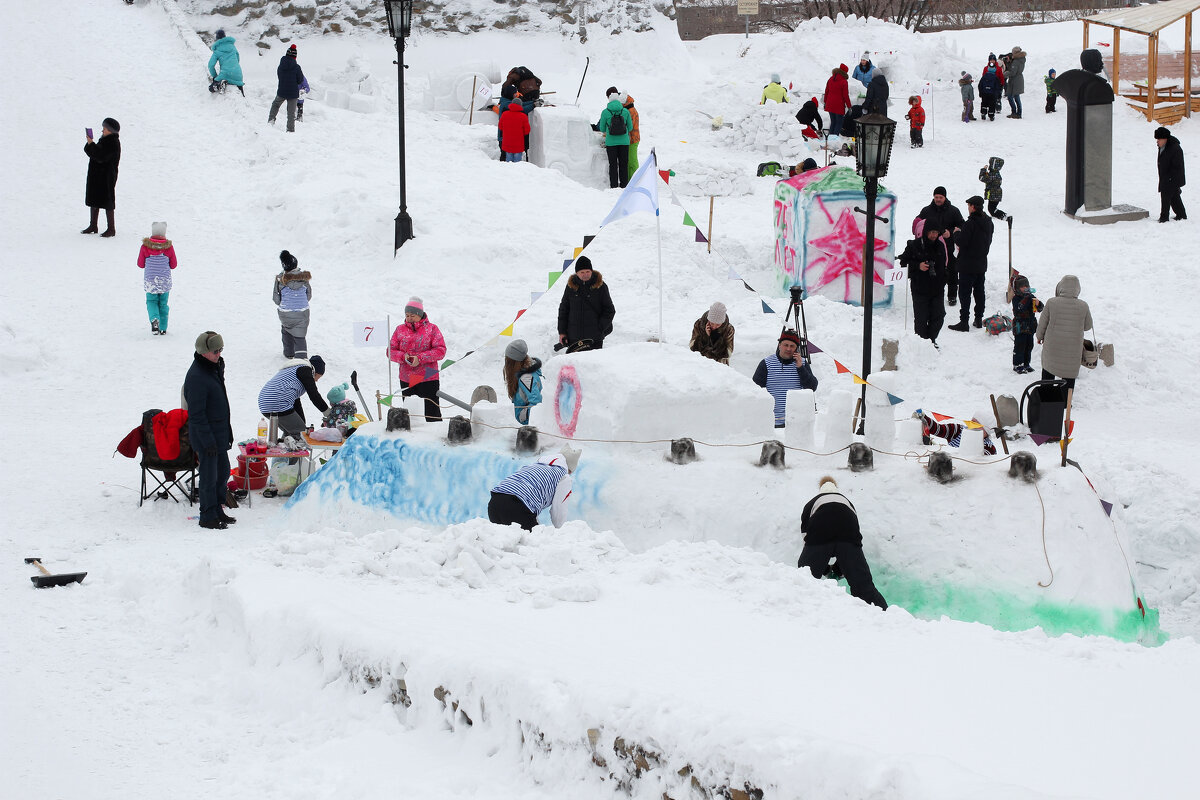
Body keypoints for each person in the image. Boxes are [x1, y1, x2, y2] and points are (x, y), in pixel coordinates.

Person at [797, 476, 887, 610]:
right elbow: (854, 538)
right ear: (836, 488)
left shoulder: (812, 503)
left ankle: (799, 611)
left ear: (820, 490)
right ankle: (884, 616)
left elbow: (807, 538)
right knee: (862, 585)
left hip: (819, 533)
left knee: (804, 579)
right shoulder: (847, 502)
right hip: (848, 534)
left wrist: (825, 569)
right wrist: (840, 570)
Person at [184, 331, 235, 530]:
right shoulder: (197, 376)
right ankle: (207, 515)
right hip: (207, 438)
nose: (219, 354)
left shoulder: (213, 367)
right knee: (208, 477)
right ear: (203, 352)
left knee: (222, 473)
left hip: (219, 433)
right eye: (215, 351)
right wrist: (208, 441)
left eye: (221, 350)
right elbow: (196, 415)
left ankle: (217, 509)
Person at [488, 448, 581, 531]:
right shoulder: (564, 477)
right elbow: (558, 511)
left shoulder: (534, 466)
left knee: (503, 545)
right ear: (570, 469)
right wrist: (562, 533)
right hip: (517, 507)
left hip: (494, 504)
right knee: (534, 545)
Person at [389, 297, 447, 421]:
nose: (409, 318)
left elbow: (440, 350)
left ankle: (435, 436)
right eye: (407, 315)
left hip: (428, 377)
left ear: (420, 315)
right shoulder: (399, 329)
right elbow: (390, 351)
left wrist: (420, 358)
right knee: (411, 414)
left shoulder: (432, 329)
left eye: (412, 316)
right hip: (407, 378)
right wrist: (402, 356)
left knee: (431, 412)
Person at [1036, 275, 1092, 389]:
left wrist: (1039, 336)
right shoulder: (1083, 306)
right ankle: (1066, 400)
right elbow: (1087, 326)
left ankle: (1046, 398)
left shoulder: (1052, 302)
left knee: (1048, 371)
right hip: (1073, 349)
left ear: (1060, 287)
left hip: (1052, 347)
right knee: (1069, 375)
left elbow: (1043, 323)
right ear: (1078, 289)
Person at [753, 330, 818, 428]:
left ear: (796, 348)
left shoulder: (803, 363)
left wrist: (800, 367)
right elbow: (755, 390)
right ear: (779, 345)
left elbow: (812, 387)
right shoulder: (767, 363)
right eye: (785, 345)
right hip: (772, 422)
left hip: (796, 421)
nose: (788, 348)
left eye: (792, 346)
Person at [949, 196, 994, 331]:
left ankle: (964, 322)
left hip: (967, 264)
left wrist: (956, 233)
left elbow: (962, 241)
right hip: (981, 263)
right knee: (979, 292)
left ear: (973, 207)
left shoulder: (970, 223)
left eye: (969, 205)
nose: (968, 208)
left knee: (964, 293)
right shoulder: (988, 222)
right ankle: (978, 319)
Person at [257, 355, 328, 439]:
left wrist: (302, 422)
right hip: (278, 401)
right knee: (300, 434)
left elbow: (295, 400)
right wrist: (327, 411)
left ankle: (282, 448)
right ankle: (290, 450)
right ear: (314, 370)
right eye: (316, 376)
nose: (316, 380)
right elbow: (314, 395)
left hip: (265, 403)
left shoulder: (294, 369)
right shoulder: (305, 369)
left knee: (291, 431)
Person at [899, 219, 946, 346]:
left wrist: (944, 281)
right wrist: (917, 266)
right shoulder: (914, 245)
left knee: (939, 316)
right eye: (931, 232)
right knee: (921, 319)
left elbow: (944, 266)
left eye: (936, 232)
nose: (933, 235)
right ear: (925, 232)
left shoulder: (940, 246)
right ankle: (921, 344)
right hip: (920, 288)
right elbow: (903, 263)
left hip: (937, 288)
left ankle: (930, 341)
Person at [917, 187, 965, 306]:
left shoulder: (954, 211)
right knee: (934, 270)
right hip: (931, 247)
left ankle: (952, 295)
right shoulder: (927, 210)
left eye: (940, 197)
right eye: (936, 197)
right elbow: (918, 223)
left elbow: (962, 225)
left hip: (949, 247)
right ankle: (933, 293)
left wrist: (950, 231)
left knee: (952, 271)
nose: (938, 199)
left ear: (945, 197)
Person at [557, 256, 615, 351]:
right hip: (574, 338)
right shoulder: (570, 287)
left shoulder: (601, 286)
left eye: (588, 272)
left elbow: (609, 310)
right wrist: (562, 332)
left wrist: (599, 328)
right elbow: (563, 310)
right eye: (582, 272)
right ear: (577, 273)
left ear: (591, 271)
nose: (585, 275)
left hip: (594, 339)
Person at [82, 118, 121, 237]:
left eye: (104, 129)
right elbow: (95, 153)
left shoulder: (113, 142)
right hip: (97, 175)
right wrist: (90, 144)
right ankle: (93, 225)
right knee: (94, 198)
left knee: (107, 200)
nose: (102, 130)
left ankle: (111, 228)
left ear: (110, 130)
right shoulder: (104, 140)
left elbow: (101, 156)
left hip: (106, 176)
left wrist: (91, 144)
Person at [137, 221, 177, 335]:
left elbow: (140, 264)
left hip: (150, 281)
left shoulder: (145, 246)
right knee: (163, 304)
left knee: (151, 301)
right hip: (164, 281)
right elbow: (173, 265)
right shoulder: (169, 247)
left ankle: (155, 319)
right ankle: (163, 328)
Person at [273, 250, 311, 359]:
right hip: (302, 312)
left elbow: (276, 298)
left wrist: (285, 304)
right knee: (300, 334)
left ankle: (289, 353)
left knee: (286, 329)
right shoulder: (304, 278)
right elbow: (308, 295)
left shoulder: (280, 280)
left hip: (285, 312)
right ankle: (301, 356)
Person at [913, 410, 997, 455]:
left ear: (986, 431)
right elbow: (937, 429)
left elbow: (980, 464)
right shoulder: (958, 430)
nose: (971, 426)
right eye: (972, 422)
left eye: (977, 424)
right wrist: (923, 418)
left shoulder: (989, 448)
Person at [503, 339, 543, 425]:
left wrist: (524, 415)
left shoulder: (526, 378)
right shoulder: (526, 371)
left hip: (528, 422)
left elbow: (537, 401)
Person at [597, 95, 633, 189]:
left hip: (611, 143)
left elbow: (602, 128)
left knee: (612, 165)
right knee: (623, 164)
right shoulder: (625, 111)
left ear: (609, 100)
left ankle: (614, 186)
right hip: (624, 143)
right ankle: (624, 186)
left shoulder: (605, 112)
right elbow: (630, 127)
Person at [268, 43, 305, 132]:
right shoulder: (296, 67)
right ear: (295, 56)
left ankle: (271, 121)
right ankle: (290, 130)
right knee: (291, 113)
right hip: (293, 93)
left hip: (282, 91)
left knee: (275, 105)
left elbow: (279, 76)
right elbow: (300, 80)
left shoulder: (280, 66)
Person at [1010, 275, 1043, 374]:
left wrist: (1038, 304)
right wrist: (1027, 298)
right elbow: (1020, 308)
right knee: (1020, 345)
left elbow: (1040, 308)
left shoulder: (1030, 296)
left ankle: (1026, 363)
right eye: (1022, 287)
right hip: (1020, 326)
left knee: (1029, 346)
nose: (1025, 288)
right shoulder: (1016, 299)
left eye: (1026, 286)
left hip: (1030, 326)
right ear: (1017, 288)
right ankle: (1018, 365)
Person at [1155, 126, 1187, 223]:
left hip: (1172, 178)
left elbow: (1177, 166)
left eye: (1158, 139)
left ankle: (1164, 218)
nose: (1157, 142)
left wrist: (1170, 179)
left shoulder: (1175, 148)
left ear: (1165, 139)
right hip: (1166, 177)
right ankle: (1181, 215)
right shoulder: (1163, 147)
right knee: (1174, 197)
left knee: (1166, 197)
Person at [207, 29, 244, 96]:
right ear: (225, 36)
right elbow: (238, 58)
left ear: (217, 38)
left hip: (225, 74)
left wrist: (215, 76)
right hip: (238, 74)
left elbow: (210, 65)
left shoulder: (217, 50)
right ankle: (242, 96)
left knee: (211, 88)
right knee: (241, 92)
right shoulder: (232, 47)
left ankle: (219, 84)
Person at [823, 64, 852, 136]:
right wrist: (849, 106)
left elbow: (826, 91)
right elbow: (845, 95)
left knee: (833, 122)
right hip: (838, 106)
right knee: (839, 123)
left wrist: (825, 102)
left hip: (830, 104)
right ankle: (834, 140)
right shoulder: (844, 81)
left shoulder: (831, 79)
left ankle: (829, 139)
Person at [979, 157, 1009, 222]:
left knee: (991, 209)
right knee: (991, 208)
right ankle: (1003, 216)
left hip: (994, 194)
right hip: (995, 194)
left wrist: (983, 169)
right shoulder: (995, 174)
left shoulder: (993, 175)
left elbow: (982, 178)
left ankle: (1005, 216)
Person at [978, 54, 1005, 121]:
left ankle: (994, 111)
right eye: (991, 60)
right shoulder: (986, 68)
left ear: (995, 60)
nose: (992, 61)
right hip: (987, 89)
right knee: (986, 102)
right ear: (989, 60)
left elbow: (1001, 77)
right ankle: (984, 113)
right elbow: (983, 78)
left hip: (994, 88)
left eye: (993, 60)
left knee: (994, 101)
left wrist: (1001, 85)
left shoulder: (998, 68)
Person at [621, 92, 641, 179]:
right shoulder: (629, 109)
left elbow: (629, 126)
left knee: (632, 161)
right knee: (629, 161)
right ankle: (630, 178)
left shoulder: (631, 111)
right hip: (632, 139)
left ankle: (636, 179)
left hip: (633, 139)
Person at [1003, 46, 1026, 119]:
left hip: (1015, 80)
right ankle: (1017, 113)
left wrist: (1004, 74)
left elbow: (1013, 72)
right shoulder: (1021, 60)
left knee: (1012, 97)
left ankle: (1016, 113)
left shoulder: (1016, 61)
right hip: (1018, 79)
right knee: (1016, 97)